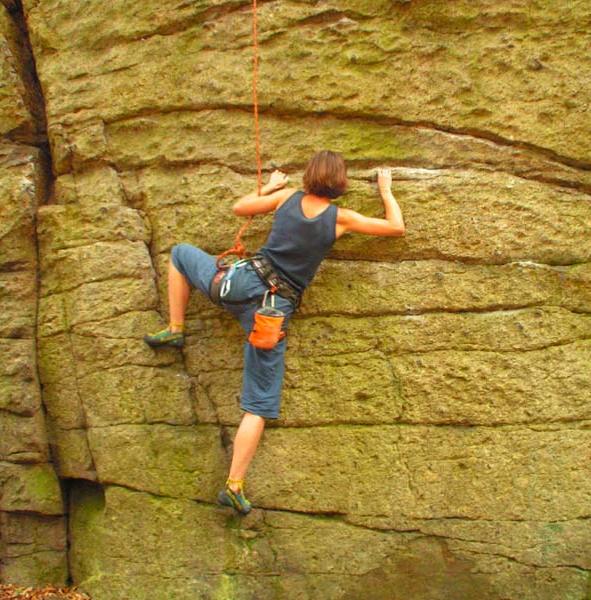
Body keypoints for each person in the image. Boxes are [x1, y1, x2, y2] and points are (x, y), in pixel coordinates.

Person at [143, 150, 405, 514]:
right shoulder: (340, 219)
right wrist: (386, 191)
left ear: (309, 175)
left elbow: (240, 207)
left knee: (181, 255)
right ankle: (233, 485)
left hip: (236, 284)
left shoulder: (285, 198)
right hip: (270, 313)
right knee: (258, 404)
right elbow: (396, 228)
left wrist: (269, 186)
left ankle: (175, 327)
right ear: (340, 182)